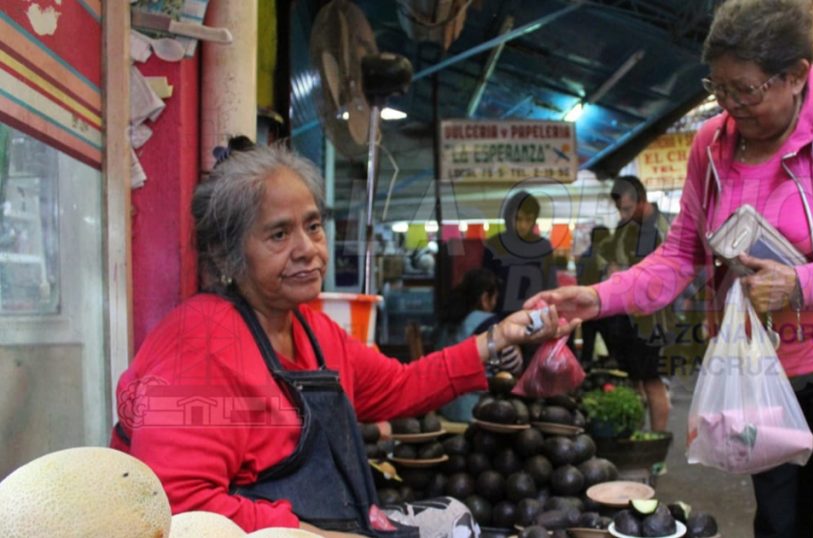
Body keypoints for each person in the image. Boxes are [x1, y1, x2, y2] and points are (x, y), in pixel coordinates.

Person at [527, 0, 813, 536]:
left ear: (795, 75)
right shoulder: (712, 147)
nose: (731, 106)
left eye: (745, 90)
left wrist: (804, 282)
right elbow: (680, 255)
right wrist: (599, 297)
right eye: (719, 89)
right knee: (779, 527)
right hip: (765, 381)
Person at [110, 138, 565, 536]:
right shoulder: (199, 346)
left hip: (335, 523)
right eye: (279, 234)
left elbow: (397, 386)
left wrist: (497, 340)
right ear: (229, 255)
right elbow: (178, 503)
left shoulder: (310, 328)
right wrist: (313, 536)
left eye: (312, 226)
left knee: (455, 519)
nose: (307, 248)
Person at [601, 176, 673, 432]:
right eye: (621, 209)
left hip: (655, 319)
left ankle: (657, 442)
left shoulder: (665, 228)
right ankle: (635, 439)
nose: (624, 214)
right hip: (624, 317)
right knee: (632, 379)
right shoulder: (624, 227)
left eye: (628, 209)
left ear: (641, 201)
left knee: (652, 379)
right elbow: (611, 260)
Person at [434, 268, 521, 422]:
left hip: (445, 407)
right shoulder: (489, 325)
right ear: (484, 298)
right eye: (494, 298)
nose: (495, 304)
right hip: (475, 410)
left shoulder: (447, 321)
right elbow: (509, 367)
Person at [483, 191, 557, 318]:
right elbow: (486, 285)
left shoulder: (542, 246)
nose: (523, 225)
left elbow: (550, 284)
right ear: (509, 216)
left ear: (534, 220)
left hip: (534, 315)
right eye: (518, 218)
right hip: (500, 317)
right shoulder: (494, 245)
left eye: (528, 219)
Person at [575, 225, 610, 365]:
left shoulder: (583, 257)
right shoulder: (606, 258)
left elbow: (579, 281)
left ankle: (586, 376)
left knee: (587, 348)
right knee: (609, 347)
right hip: (605, 308)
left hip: (586, 307)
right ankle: (608, 379)